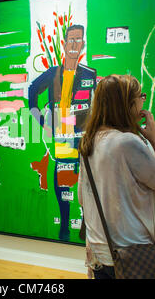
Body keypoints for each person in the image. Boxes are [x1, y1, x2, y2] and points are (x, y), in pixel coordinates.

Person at [77, 74, 155, 279]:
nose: (143, 101)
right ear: (128, 104)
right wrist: (154, 139)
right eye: (140, 96)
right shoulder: (128, 143)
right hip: (133, 258)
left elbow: (83, 198)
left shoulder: (88, 141)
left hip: (100, 256)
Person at [29, 24, 97, 241]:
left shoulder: (89, 74)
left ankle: (86, 222)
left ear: (83, 44)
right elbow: (31, 91)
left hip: (84, 135)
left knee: (86, 179)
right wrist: (41, 122)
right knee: (63, 179)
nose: (75, 44)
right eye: (71, 39)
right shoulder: (52, 74)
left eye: (79, 39)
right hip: (62, 133)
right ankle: (65, 226)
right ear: (64, 44)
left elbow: (96, 102)